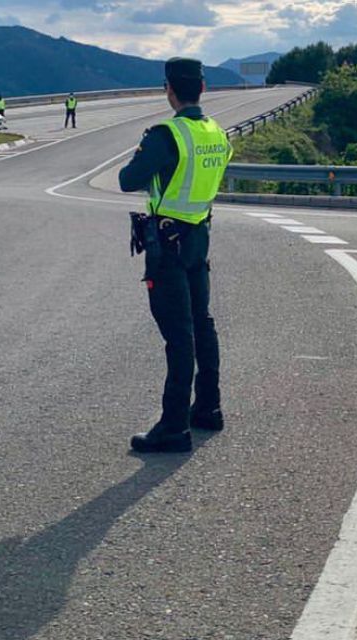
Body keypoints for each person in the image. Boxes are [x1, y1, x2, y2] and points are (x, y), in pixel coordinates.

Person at [119, 58, 233, 454]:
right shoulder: (216, 133)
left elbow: (126, 180)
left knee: (178, 335)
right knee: (202, 323)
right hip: (199, 237)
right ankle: (208, 407)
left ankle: (172, 427)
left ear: (169, 89)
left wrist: (142, 153)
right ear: (202, 89)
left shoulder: (166, 135)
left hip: (166, 243)